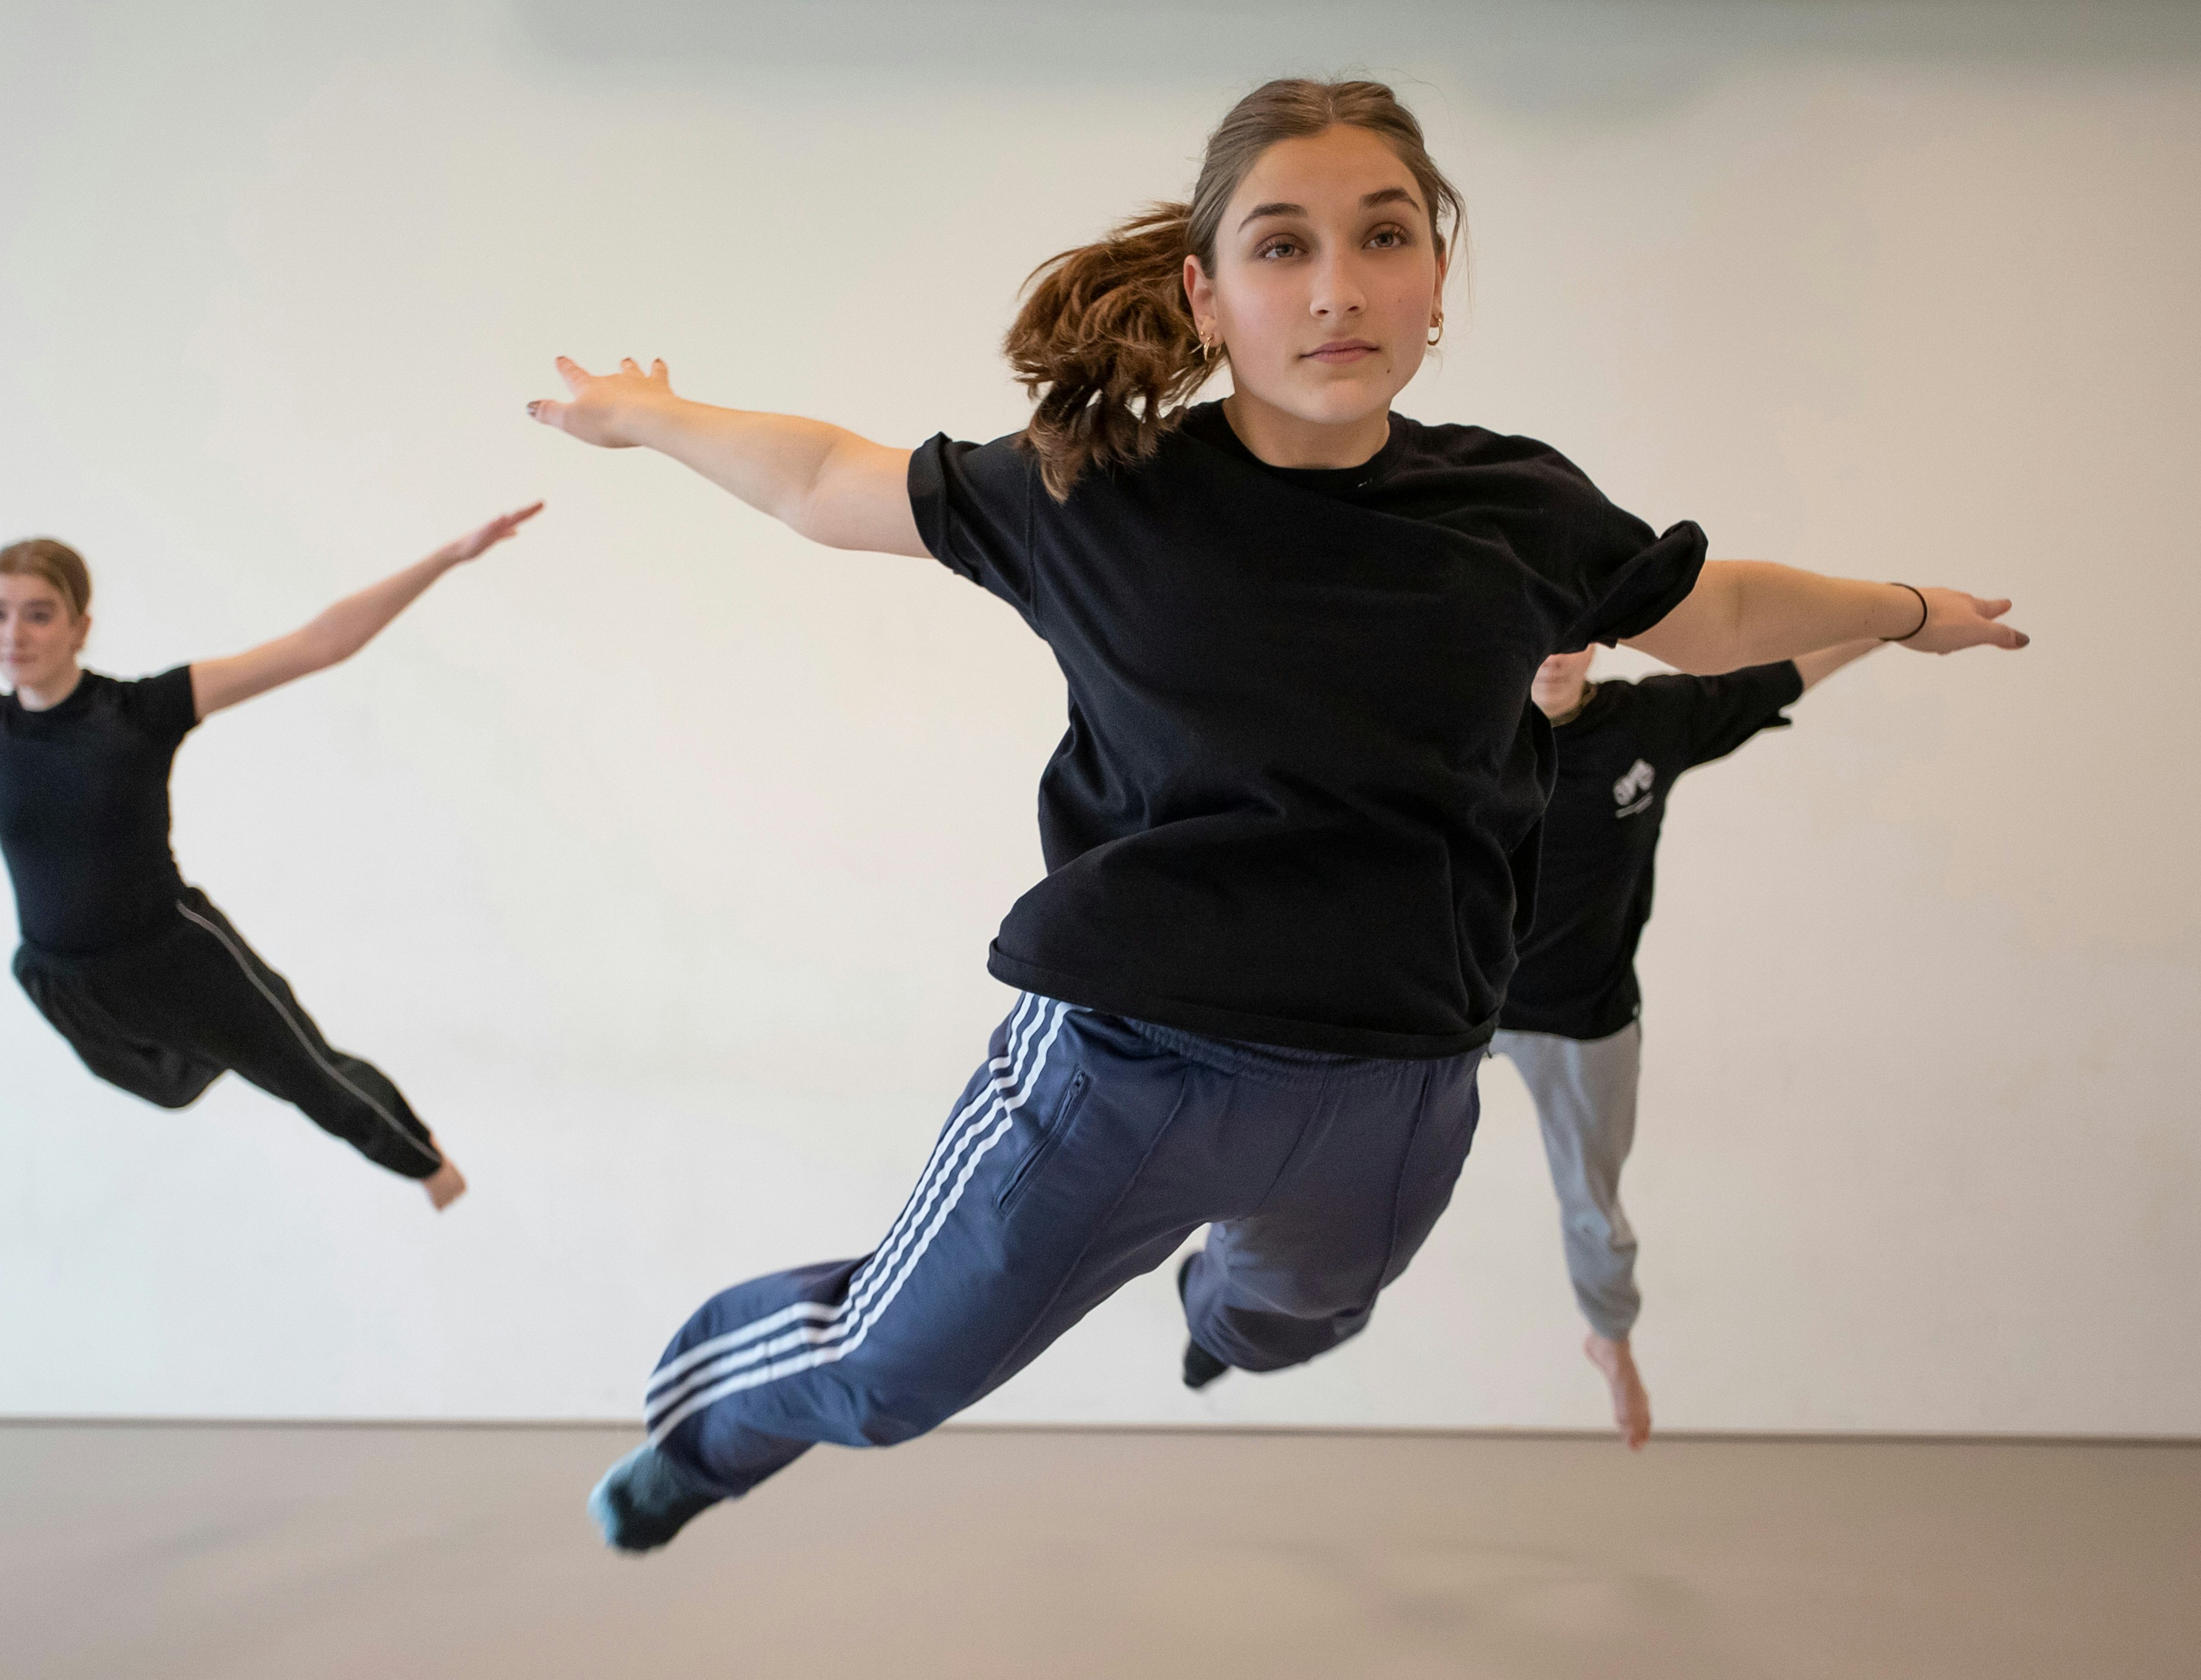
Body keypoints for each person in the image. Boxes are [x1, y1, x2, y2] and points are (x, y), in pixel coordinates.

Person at [530, 79, 2024, 1553]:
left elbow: (1720, 613)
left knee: (1294, 1320)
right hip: (1125, 1066)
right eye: (1281, 247)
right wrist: (656, 418)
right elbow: (820, 481)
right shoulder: (1095, 492)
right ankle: (701, 1438)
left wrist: (1902, 611)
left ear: (1437, 277)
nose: (1336, 290)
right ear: (1205, 293)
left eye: (1383, 237)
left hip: (1397, 1084)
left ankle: (1215, 1315)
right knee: (889, 1372)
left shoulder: (1518, 511)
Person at [0, 506, 542, 1205]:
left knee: (307, 1075)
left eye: (38, 614)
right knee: (168, 1094)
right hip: (61, 976)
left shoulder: (143, 710)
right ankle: (221, 1055)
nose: (15, 634)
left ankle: (433, 1171)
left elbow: (318, 643)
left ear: (81, 625)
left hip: (174, 952)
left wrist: (447, 558)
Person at [1500, 638, 1881, 1447]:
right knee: (1349, 1160)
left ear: (1599, 643)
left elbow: (1777, 674)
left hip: (1586, 1014)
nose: (1551, 656)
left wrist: (1894, 621)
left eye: (1570, 635)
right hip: (1457, 1007)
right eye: (1534, 631)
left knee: (1595, 1211)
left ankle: (1610, 1337)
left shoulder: (1653, 721)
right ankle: (1242, 1300)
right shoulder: (1458, 726)